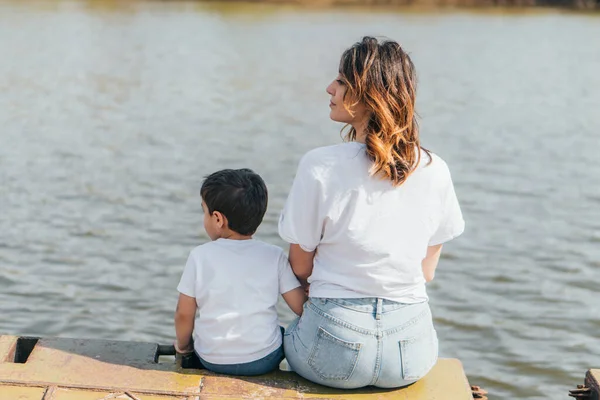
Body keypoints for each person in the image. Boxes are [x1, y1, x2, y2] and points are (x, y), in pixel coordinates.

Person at [278, 37, 465, 389]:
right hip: (409, 354)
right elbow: (425, 271)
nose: (329, 88)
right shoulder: (434, 168)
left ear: (368, 95)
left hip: (333, 347)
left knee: (274, 335)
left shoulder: (319, 165)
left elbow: (299, 267)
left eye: (342, 81)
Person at [174, 168, 307, 376]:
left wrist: (184, 348)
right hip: (263, 360)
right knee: (284, 333)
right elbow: (300, 308)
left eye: (204, 211)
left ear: (218, 219)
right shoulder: (274, 256)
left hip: (211, 359)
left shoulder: (199, 256)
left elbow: (184, 313)